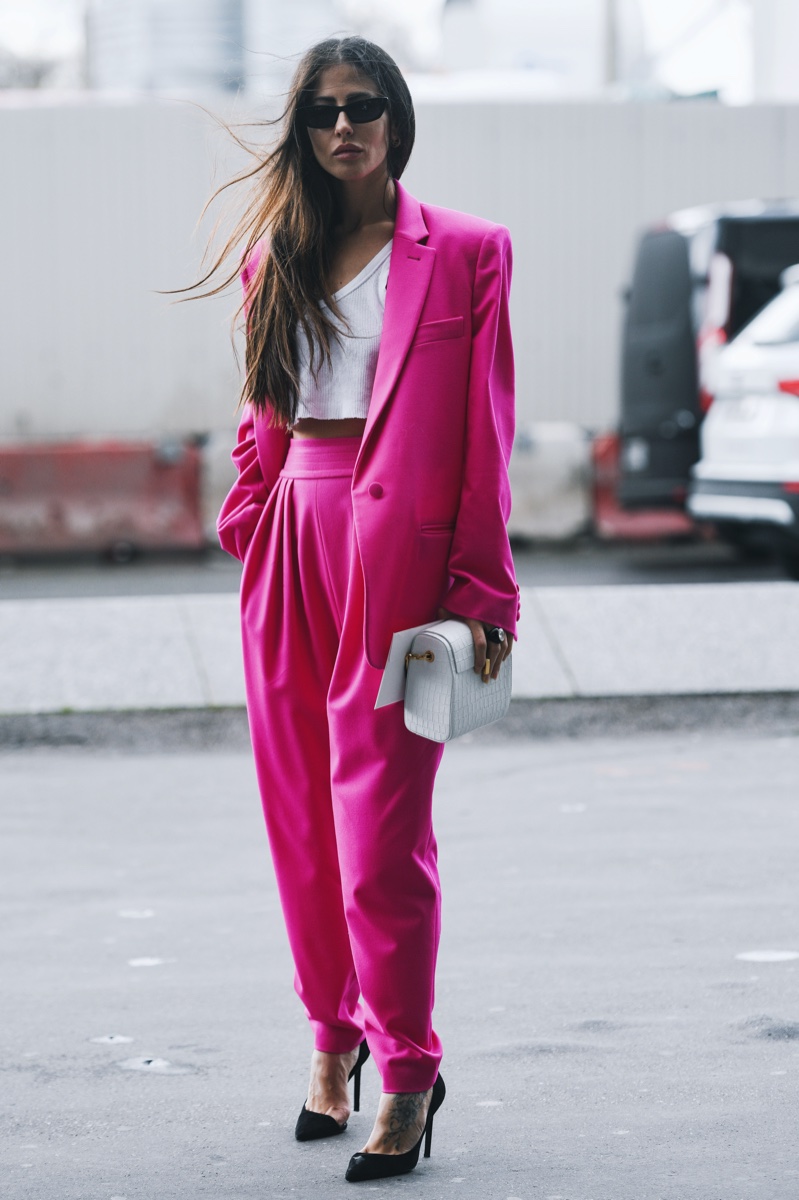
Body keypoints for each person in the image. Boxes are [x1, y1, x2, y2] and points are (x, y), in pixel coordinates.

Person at [212, 35, 519, 1183]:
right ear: (305, 128)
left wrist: (482, 589)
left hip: (399, 570)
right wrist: (252, 520)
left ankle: (406, 1068)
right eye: (325, 111)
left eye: (366, 106)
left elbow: (483, 434)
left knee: (380, 836)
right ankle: (330, 1041)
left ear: (396, 119)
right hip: (294, 547)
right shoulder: (273, 259)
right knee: (302, 831)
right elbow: (262, 418)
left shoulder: (466, 254)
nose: (345, 126)